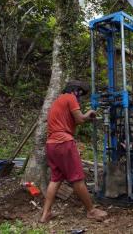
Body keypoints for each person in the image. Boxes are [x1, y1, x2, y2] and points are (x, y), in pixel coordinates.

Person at [39, 80, 107, 223]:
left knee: (55, 179)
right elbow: (80, 119)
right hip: (64, 143)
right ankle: (91, 211)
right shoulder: (70, 98)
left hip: (51, 144)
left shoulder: (58, 101)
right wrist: (89, 113)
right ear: (76, 91)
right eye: (80, 95)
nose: (80, 98)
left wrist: (84, 118)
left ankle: (46, 213)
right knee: (77, 178)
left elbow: (73, 121)